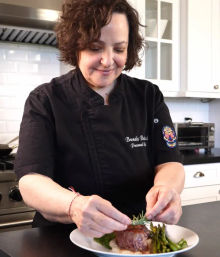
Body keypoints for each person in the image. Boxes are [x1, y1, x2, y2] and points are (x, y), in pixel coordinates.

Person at [15, 0, 185, 238]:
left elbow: (170, 162)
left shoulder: (148, 96)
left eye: (119, 49)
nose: (107, 60)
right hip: (62, 239)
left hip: (136, 234)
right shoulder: (46, 99)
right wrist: (74, 205)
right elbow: (31, 181)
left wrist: (166, 190)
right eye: (95, 48)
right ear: (76, 47)